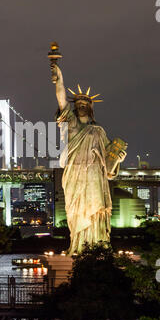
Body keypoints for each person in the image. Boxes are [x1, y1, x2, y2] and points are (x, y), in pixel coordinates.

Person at [51, 61, 127, 254]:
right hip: (75, 174)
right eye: (78, 104)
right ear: (74, 108)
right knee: (76, 211)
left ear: (90, 107)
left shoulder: (98, 131)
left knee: (96, 210)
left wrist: (119, 158)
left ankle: (97, 246)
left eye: (85, 104)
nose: (82, 106)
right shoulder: (72, 124)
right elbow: (61, 99)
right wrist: (58, 78)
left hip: (94, 175)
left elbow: (109, 164)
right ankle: (78, 245)